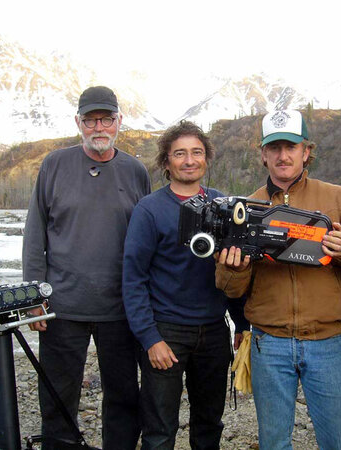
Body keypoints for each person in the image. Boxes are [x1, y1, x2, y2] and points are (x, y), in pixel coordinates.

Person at [215, 109, 341, 449]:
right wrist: (234, 267)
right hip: (269, 344)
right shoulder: (245, 208)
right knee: (274, 442)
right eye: (274, 147)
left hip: (327, 343)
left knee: (338, 442)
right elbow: (229, 288)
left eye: (291, 146)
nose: (283, 155)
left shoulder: (339, 199)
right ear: (263, 155)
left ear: (306, 151)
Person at [22, 86, 151, 449]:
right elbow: (35, 235)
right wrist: (35, 294)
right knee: (58, 399)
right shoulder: (54, 165)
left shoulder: (135, 171)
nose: (99, 127)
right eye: (91, 119)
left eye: (106, 119)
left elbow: (148, 239)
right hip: (62, 307)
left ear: (118, 122)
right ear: (78, 122)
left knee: (124, 397)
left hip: (122, 309)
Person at [122, 121, 248, 449]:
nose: (189, 160)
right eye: (180, 153)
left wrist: (241, 323)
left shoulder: (224, 205)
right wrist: (150, 339)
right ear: (166, 162)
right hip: (167, 332)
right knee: (160, 428)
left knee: (209, 424)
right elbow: (133, 278)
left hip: (213, 331)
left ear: (207, 159)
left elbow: (233, 271)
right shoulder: (149, 210)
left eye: (197, 152)